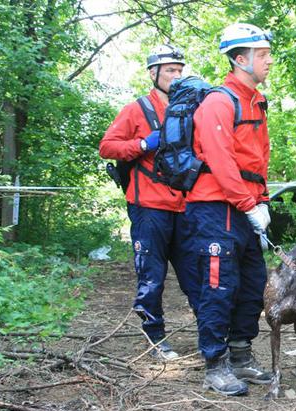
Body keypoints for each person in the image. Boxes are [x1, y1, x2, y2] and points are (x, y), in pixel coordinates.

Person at [186, 23, 274, 396]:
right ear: (241, 59)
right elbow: (221, 162)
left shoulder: (255, 101)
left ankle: (241, 355)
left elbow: (259, 159)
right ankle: (215, 363)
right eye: (263, 55)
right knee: (220, 286)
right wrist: (247, 203)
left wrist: (263, 202)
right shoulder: (220, 103)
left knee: (253, 284)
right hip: (216, 207)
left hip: (246, 206)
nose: (269, 61)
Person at [99, 44, 199, 361]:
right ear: (153, 74)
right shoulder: (136, 110)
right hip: (148, 207)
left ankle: (209, 334)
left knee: (195, 274)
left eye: (180, 70)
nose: (177, 75)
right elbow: (107, 147)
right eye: (170, 70)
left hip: (185, 205)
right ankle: (154, 338)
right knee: (151, 276)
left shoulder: (192, 109)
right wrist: (143, 143)